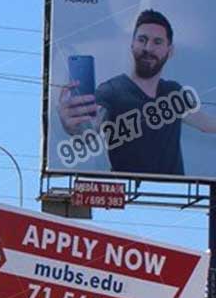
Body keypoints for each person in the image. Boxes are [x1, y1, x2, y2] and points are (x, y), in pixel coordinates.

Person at [58, 9, 216, 176]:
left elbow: (207, 125)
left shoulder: (173, 92)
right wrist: (72, 126)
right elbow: (90, 129)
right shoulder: (112, 90)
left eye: (157, 42)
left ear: (170, 51)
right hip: (128, 194)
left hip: (173, 192)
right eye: (142, 40)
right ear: (132, 44)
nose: (148, 48)